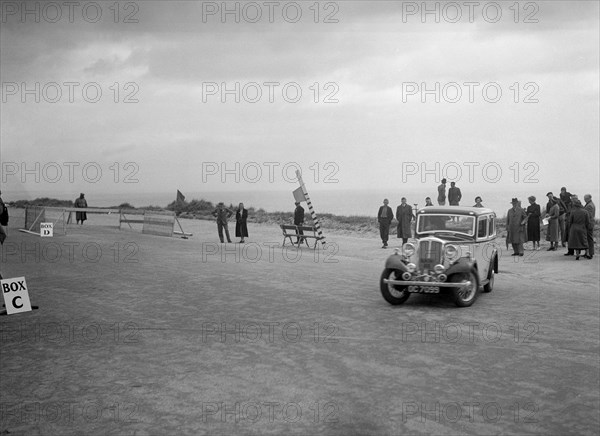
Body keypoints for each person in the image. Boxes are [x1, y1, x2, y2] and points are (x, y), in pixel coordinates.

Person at [583, 194, 596, 259]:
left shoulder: (589, 205)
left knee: (589, 238)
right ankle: (587, 252)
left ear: (588, 198)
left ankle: (590, 253)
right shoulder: (590, 204)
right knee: (588, 238)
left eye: (585, 198)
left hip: (589, 224)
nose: (584, 199)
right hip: (590, 223)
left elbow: (588, 216)